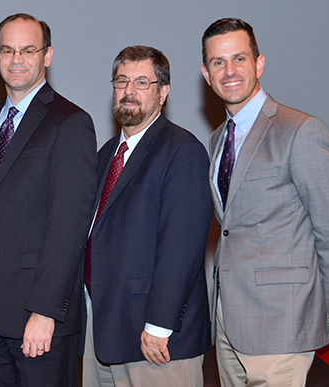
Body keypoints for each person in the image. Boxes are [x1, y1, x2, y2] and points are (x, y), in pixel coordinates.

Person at [201, 18, 329, 387]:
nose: (229, 71)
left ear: (259, 64)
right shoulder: (217, 140)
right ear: (206, 74)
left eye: (239, 58)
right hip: (227, 323)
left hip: (283, 323)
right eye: (218, 62)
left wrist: (314, 310)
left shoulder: (301, 131)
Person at [0, 13, 97, 387]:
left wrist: (45, 310)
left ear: (47, 56)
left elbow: (69, 225)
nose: (16, 59)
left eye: (27, 50)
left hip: (39, 316)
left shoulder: (70, 121)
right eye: (7, 50)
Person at [82, 46, 212, 387]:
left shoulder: (183, 151)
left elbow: (182, 249)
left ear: (163, 92)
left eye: (142, 82)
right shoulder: (106, 154)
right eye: (122, 80)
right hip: (102, 330)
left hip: (155, 341)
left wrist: (159, 326)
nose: (129, 90)